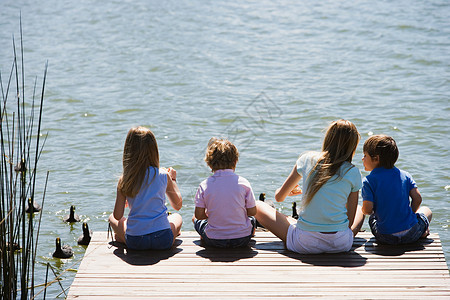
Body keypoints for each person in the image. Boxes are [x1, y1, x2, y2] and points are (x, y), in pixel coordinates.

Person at [255, 119, 363, 254]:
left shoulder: (307, 159)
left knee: (258, 206)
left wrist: (286, 192)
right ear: (352, 146)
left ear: (328, 138)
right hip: (340, 244)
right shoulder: (353, 172)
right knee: (360, 209)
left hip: (304, 243)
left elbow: (279, 197)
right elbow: (350, 222)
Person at [109, 126, 183, 250]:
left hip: (136, 242)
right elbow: (177, 205)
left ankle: (123, 238)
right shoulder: (163, 175)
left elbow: (117, 215)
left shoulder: (125, 179)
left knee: (112, 218)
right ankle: (173, 234)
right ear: (154, 150)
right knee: (176, 217)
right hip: (163, 240)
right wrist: (173, 180)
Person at [358, 134, 432, 244]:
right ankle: (422, 231)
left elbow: (368, 210)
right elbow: (418, 199)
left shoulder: (368, 181)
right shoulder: (405, 175)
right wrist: (409, 214)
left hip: (385, 237)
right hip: (411, 234)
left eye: (365, 155)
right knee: (427, 211)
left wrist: (367, 210)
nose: (362, 158)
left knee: (372, 217)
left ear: (376, 158)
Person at [192, 138, 257, 248]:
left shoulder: (204, 185)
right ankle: (251, 231)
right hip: (242, 239)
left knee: (195, 218)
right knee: (252, 220)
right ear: (235, 161)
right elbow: (252, 212)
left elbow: (199, 215)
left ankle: (206, 234)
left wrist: (212, 215)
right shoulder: (244, 182)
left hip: (214, 240)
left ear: (209, 163)